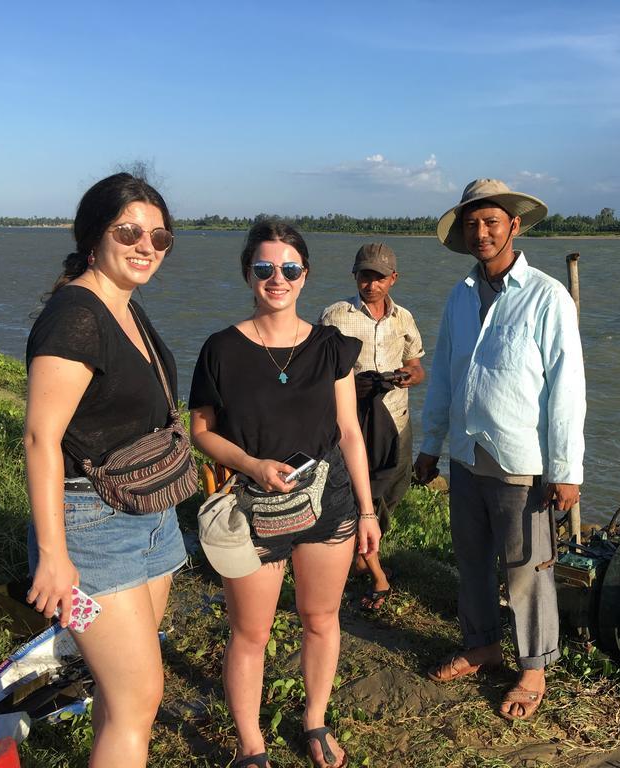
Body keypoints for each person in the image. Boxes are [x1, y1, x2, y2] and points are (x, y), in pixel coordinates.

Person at [189, 221, 380, 768]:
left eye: (290, 269)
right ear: (248, 274)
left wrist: (368, 510)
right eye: (265, 268)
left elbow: (349, 431)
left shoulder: (331, 346)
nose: (278, 279)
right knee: (250, 633)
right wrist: (251, 463)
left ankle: (315, 719)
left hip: (329, 505)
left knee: (321, 618)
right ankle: (252, 745)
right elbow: (201, 429)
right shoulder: (221, 348)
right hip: (254, 507)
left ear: (306, 276)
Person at [24, 173, 189, 768]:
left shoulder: (126, 309)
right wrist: (52, 553)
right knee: (139, 699)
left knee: (121, 698)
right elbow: (42, 438)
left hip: (150, 513)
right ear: (95, 235)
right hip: (91, 526)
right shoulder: (77, 315)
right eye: (130, 231)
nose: (147, 245)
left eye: (160, 236)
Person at [414, 178, 586, 720]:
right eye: (472, 224)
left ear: (513, 226)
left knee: (527, 568)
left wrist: (566, 469)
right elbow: (443, 374)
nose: (481, 232)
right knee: (470, 560)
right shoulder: (460, 296)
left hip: (520, 462)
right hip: (466, 455)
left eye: (491, 222)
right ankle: (483, 645)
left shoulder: (546, 295)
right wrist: (430, 444)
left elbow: (566, 388)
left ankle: (533, 668)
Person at [319, 242, 425, 610]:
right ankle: (372, 566)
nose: (371, 284)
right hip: (355, 422)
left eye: (379, 277)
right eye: (365, 275)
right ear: (355, 276)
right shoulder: (336, 315)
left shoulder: (404, 319)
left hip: (397, 419)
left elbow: (417, 365)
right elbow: (318, 369)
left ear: (392, 279)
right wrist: (352, 383)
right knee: (363, 495)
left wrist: (406, 377)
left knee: (394, 490)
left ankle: (361, 555)